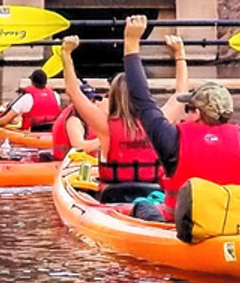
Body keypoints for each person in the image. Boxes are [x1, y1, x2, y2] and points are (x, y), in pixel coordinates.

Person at [120, 12, 240, 193]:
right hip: (235, 218)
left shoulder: (172, 139)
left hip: (181, 220)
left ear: (198, 111)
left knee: (142, 205)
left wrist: (131, 43)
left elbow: (141, 99)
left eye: (189, 108)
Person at [50, 34, 170, 204]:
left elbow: (73, 92)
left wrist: (66, 54)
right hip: (153, 194)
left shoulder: (105, 126)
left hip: (114, 197)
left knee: (83, 195)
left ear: (113, 96)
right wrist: (180, 56)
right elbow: (180, 93)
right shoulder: (157, 122)